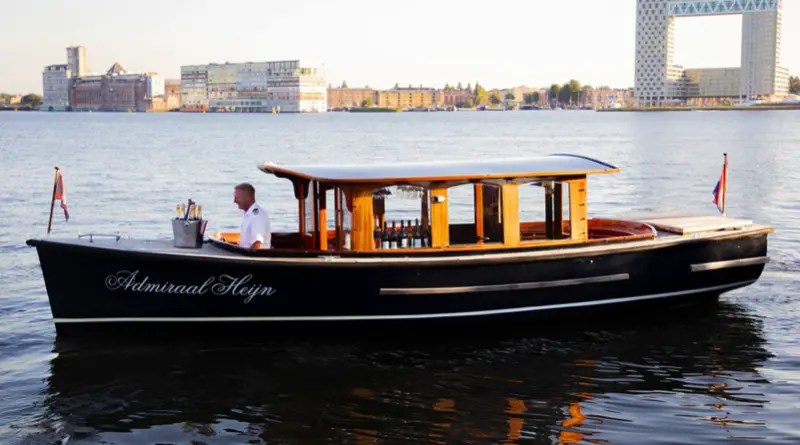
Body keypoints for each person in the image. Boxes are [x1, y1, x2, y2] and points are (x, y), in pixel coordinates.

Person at [233, 183, 271, 249]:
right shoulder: (250, 213)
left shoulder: (257, 216)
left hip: (256, 257)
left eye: (237, 198)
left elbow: (257, 244)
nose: (234, 201)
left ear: (248, 198)